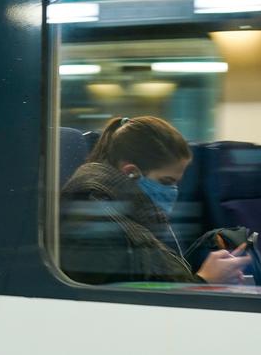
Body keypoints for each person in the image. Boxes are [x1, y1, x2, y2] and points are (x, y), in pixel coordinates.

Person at [60, 116, 250, 285]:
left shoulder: (128, 215)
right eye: (166, 181)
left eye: (176, 183)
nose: (173, 191)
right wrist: (204, 280)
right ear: (131, 173)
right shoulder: (95, 221)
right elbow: (117, 303)